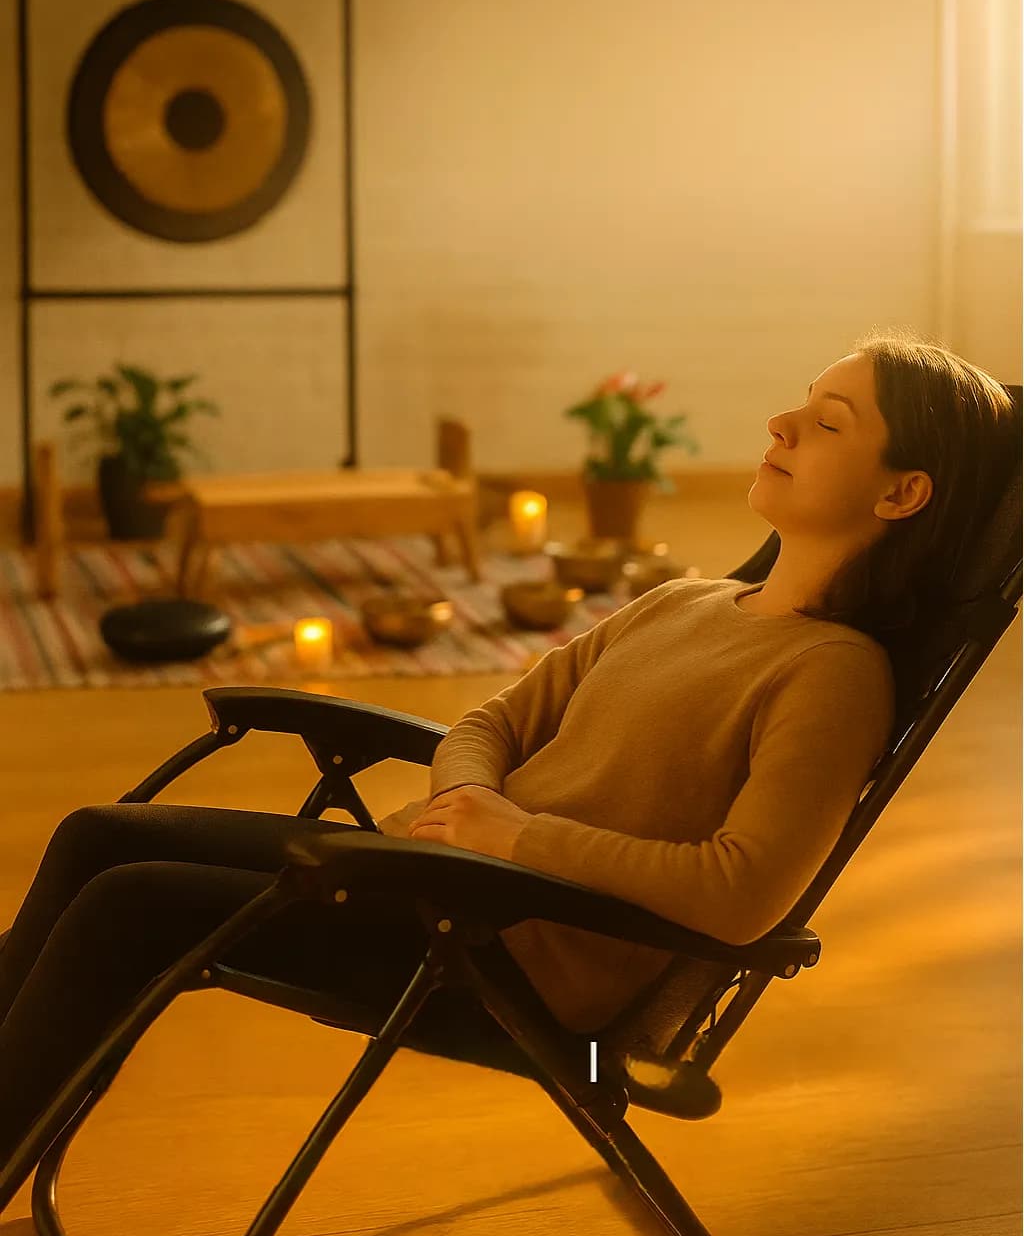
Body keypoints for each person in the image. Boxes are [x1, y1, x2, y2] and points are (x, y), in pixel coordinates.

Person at [0, 326, 1015, 1186]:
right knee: (97, 836)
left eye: (829, 424)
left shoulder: (833, 676)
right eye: (800, 404)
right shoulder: (684, 602)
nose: (780, 426)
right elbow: (489, 722)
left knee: (128, 905)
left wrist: (519, 841)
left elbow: (743, 893)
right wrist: (470, 811)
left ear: (899, 495)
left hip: (497, 954)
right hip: (437, 879)